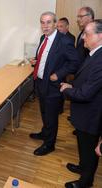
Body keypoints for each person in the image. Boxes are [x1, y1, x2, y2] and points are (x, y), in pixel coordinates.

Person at [29, 11, 80, 156]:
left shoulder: (64, 41)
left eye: (49, 22)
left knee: (51, 116)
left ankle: (49, 144)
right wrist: (35, 61)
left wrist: (58, 74)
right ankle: (45, 133)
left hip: (53, 86)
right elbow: (45, 58)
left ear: (55, 23)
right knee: (44, 112)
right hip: (40, 82)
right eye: (42, 22)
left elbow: (75, 63)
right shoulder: (42, 38)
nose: (45, 26)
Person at [60, 19, 102, 188]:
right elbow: (85, 81)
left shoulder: (100, 60)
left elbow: (86, 93)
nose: (83, 37)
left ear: (100, 36)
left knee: (89, 150)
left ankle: (85, 181)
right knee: (83, 148)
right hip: (85, 113)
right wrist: (73, 85)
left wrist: (66, 90)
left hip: (91, 115)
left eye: (87, 34)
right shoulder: (93, 53)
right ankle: (82, 167)